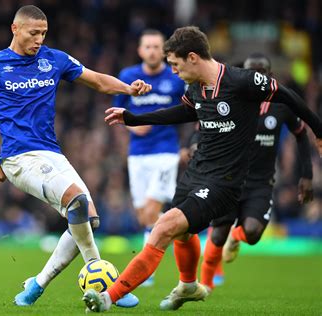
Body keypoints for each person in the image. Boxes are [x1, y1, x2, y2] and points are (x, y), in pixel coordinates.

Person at [82, 26, 322, 313]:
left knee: (163, 227)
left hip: (224, 182)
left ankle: (108, 297)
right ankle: (188, 285)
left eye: (175, 64)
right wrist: (134, 119)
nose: (172, 71)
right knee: (183, 234)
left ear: (192, 57)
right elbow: (184, 112)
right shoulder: (195, 86)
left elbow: (289, 96)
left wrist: (318, 132)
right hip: (195, 173)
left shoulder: (242, 81)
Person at [0, 5, 151, 308]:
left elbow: (98, 81)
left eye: (43, 33)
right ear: (15, 29)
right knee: (76, 201)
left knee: (88, 218)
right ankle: (108, 287)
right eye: (33, 33)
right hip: (17, 157)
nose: (39, 39)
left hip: (52, 153)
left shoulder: (54, 59)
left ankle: (36, 285)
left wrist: (128, 90)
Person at [200, 53, 314, 290]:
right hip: (229, 179)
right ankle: (206, 284)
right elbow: (206, 124)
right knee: (217, 235)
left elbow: (302, 134)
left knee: (252, 233)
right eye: (251, 72)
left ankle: (237, 237)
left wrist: (307, 174)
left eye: (261, 72)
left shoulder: (282, 106)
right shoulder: (230, 99)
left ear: (269, 76)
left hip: (261, 183)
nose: (255, 77)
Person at [112, 29, 186, 287]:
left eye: (157, 47)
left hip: (166, 152)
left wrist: (187, 146)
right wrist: (133, 126)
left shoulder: (175, 79)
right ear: (140, 50)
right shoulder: (128, 77)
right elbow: (117, 111)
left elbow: (191, 111)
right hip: (138, 155)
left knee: (153, 209)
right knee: (145, 216)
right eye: (148, 47)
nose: (153, 51)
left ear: (163, 51)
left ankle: (146, 270)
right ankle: (173, 233)